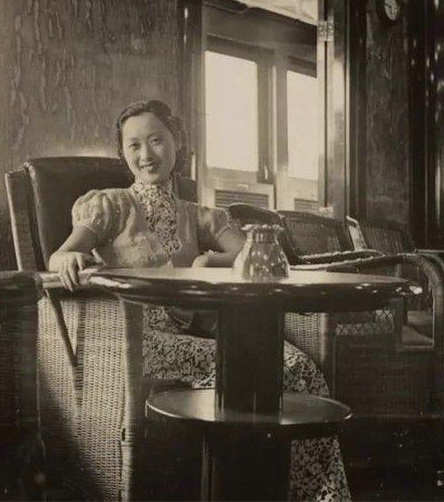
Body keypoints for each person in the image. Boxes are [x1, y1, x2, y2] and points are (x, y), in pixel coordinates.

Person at [49, 99, 350, 501]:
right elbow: (61, 255)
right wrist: (68, 257)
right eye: (133, 145)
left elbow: (258, 255)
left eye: (156, 140)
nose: (145, 154)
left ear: (177, 141)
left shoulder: (199, 214)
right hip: (135, 342)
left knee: (300, 368)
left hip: (193, 337)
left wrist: (209, 260)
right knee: (281, 370)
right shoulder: (110, 205)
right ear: (123, 153)